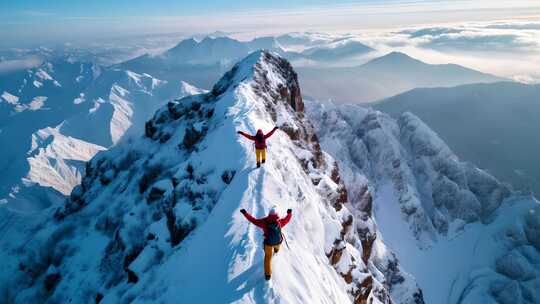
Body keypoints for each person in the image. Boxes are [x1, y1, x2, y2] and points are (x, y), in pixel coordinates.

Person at [240, 206, 292, 280]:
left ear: (269, 215)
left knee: (268, 257)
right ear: (276, 214)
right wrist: (289, 213)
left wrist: (245, 213)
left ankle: (268, 275)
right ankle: (276, 250)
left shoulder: (264, 222)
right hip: (278, 242)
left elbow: (253, 220)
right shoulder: (279, 222)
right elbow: (287, 219)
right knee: (277, 244)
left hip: (268, 244)